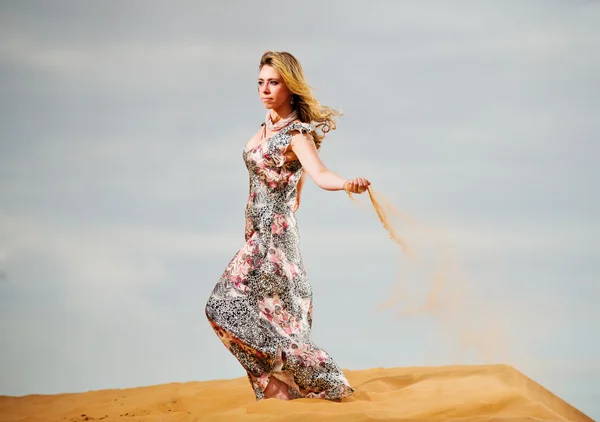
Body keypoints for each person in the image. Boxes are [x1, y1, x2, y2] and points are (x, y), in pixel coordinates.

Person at [205, 50, 370, 401]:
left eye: (274, 82)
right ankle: (277, 389)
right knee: (264, 313)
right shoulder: (265, 127)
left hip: (275, 239)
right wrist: (297, 192)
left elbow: (320, 172)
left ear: (290, 86)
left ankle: (313, 376)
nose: (265, 89)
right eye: (261, 83)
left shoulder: (296, 134)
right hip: (256, 234)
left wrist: (346, 184)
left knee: (221, 306)